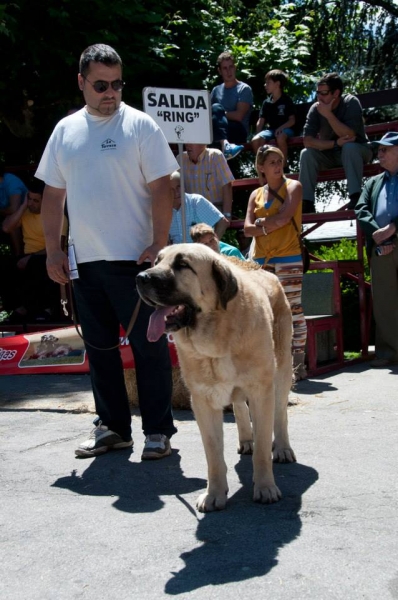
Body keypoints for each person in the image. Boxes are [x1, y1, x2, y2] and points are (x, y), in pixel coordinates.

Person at [35, 43, 179, 459]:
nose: (110, 92)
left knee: (148, 348)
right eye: (100, 85)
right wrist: (52, 251)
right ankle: (113, 427)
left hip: (136, 260)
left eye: (116, 84)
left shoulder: (140, 126)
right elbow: (52, 195)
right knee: (98, 350)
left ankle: (158, 431)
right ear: (81, 82)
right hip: (83, 262)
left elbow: (162, 187)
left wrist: (159, 243)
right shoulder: (64, 130)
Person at [244, 145, 307, 379]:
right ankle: (271, 363)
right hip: (261, 261)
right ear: (261, 167)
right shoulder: (255, 194)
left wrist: (260, 225)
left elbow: (285, 218)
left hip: (288, 255)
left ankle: (298, 365)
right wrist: (264, 226)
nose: (277, 166)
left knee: (293, 309)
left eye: (279, 161)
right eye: (272, 162)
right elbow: (246, 230)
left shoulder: (294, 186)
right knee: (265, 311)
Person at [299, 72, 373, 213]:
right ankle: (307, 203)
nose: (319, 97)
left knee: (349, 147)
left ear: (336, 93)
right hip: (331, 153)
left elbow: (349, 135)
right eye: (317, 93)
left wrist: (328, 115)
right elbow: (308, 141)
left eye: (324, 93)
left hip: (358, 151)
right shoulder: (315, 108)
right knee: (306, 154)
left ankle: (356, 197)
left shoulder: (350, 102)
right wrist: (335, 144)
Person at [355, 131, 398, 367]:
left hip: (393, 236)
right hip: (380, 244)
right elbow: (361, 209)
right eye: (379, 149)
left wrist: (393, 228)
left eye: (385, 149)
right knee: (384, 300)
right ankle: (388, 353)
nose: (379, 154)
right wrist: (378, 234)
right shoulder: (373, 182)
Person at [2, 178, 68, 322]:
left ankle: (43, 311)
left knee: (36, 265)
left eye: (35, 200)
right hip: (27, 256)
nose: (31, 203)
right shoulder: (25, 214)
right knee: (4, 265)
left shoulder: (58, 217)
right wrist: (23, 206)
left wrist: (30, 258)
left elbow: (60, 247)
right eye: (29, 199)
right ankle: (19, 310)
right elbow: (6, 228)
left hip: (47, 255)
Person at [211, 51, 253, 161]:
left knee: (216, 108)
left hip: (238, 130)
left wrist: (220, 114)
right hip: (219, 133)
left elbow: (239, 116)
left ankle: (224, 144)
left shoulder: (244, 89)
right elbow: (207, 115)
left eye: (231, 67)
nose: (228, 71)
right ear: (219, 71)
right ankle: (225, 145)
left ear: (235, 68)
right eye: (225, 68)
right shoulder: (216, 90)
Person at [169, 171, 229, 243]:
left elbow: (222, 222)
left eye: (178, 187)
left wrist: (211, 245)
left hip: (199, 252)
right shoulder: (163, 210)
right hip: (175, 253)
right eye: (171, 189)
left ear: (183, 186)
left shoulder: (196, 202)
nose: (176, 192)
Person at [251, 70, 296, 167]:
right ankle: (262, 167)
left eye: (268, 83)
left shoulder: (286, 100)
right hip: (271, 130)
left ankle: (283, 165)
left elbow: (292, 120)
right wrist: (258, 133)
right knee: (256, 140)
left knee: (280, 137)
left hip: (286, 129)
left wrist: (281, 128)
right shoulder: (266, 103)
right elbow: (261, 120)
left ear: (277, 84)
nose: (265, 85)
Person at [178, 143, 234, 219]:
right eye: (186, 142)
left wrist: (227, 214)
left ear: (202, 143)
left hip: (214, 208)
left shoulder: (215, 155)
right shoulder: (180, 159)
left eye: (191, 142)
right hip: (190, 210)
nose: (187, 145)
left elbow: (227, 185)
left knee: (211, 227)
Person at [0, 167, 28, 255]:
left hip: (26, 214)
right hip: (5, 214)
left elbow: (14, 209)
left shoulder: (11, 182)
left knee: (12, 223)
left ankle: (19, 256)